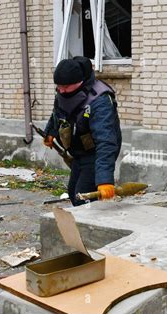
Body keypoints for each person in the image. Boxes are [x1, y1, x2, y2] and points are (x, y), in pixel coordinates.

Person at [44, 56, 121, 206]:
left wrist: (104, 180)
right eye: (59, 86)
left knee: (83, 198)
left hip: (96, 153)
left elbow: (106, 141)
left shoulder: (100, 100)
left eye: (65, 87)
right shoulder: (63, 91)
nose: (61, 90)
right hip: (79, 152)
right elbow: (58, 113)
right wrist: (51, 132)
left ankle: (94, 226)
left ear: (79, 82)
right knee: (74, 194)